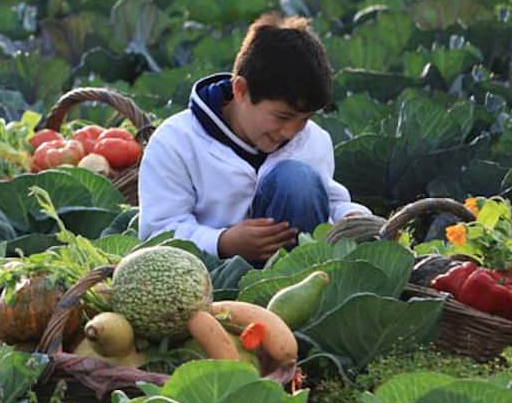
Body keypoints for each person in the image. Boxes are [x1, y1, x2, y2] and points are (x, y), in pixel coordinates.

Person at [138, 14, 368, 263]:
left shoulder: (314, 139)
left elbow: (329, 201)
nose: (291, 131)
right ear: (240, 90)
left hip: (300, 277)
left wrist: (354, 218)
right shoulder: (175, 141)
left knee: (298, 180)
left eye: (304, 119)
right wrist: (223, 242)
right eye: (282, 116)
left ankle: (295, 284)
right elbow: (157, 231)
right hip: (208, 279)